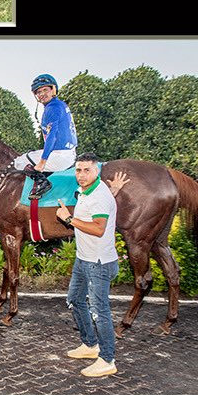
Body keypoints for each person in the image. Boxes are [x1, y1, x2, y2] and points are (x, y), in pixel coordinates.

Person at [54, 153, 123, 378]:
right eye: (78, 170)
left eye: (86, 170)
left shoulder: (99, 194)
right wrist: (115, 191)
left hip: (98, 264)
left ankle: (107, 359)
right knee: (74, 299)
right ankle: (90, 345)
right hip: (84, 259)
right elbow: (102, 205)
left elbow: (99, 228)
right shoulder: (93, 189)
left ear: (97, 171)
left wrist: (68, 219)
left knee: (99, 312)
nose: (81, 175)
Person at [11, 74, 77, 199]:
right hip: (69, 152)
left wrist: (42, 162)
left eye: (45, 90)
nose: (41, 94)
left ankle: (43, 182)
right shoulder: (61, 105)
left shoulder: (52, 108)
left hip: (60, 156)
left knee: (19, 162)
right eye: (38, 92)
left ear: (53, 90)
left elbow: (52, 136)